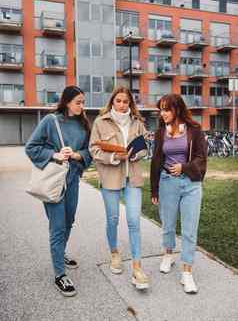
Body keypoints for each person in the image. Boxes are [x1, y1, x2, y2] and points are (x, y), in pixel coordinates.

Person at [25, 86, 91, 297]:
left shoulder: (83, 124)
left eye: (83, 102)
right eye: (78, 102)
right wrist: (55, 155)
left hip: (72, 182)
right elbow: (31, 147)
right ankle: (59, 275)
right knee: (58, 226)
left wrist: (76, 155)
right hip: (54, 181)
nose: (82, 106)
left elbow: (89, 151)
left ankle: (59, 253)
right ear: (67, 102)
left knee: (69, 220)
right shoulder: (50, 121)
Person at [89, 86, 149, 290]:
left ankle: (137, 267)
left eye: (126, 101)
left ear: (130, 103)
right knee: (113, 219)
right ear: (112, 102)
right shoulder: (100, 122)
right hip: (110, 179)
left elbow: (144, 149)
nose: (122, 105)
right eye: (119, 101)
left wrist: (134, 154)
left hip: (132, 178)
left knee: (134, 221)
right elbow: (94, 150)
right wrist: (114, 156)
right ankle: (114, 253)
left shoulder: (138, 122)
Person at [150, 93, 207, 294]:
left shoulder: (194, 130)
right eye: (161, 109)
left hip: (191, 185)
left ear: (177, 109)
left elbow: (201, 158)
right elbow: (156, 161)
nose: (162, 113)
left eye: (166, 109)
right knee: (168, 224)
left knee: (190, 229)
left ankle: (187, 272)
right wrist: (154, 188)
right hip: (167, 184)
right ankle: (168, 254)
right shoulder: (160, 133)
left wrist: (184, 167)